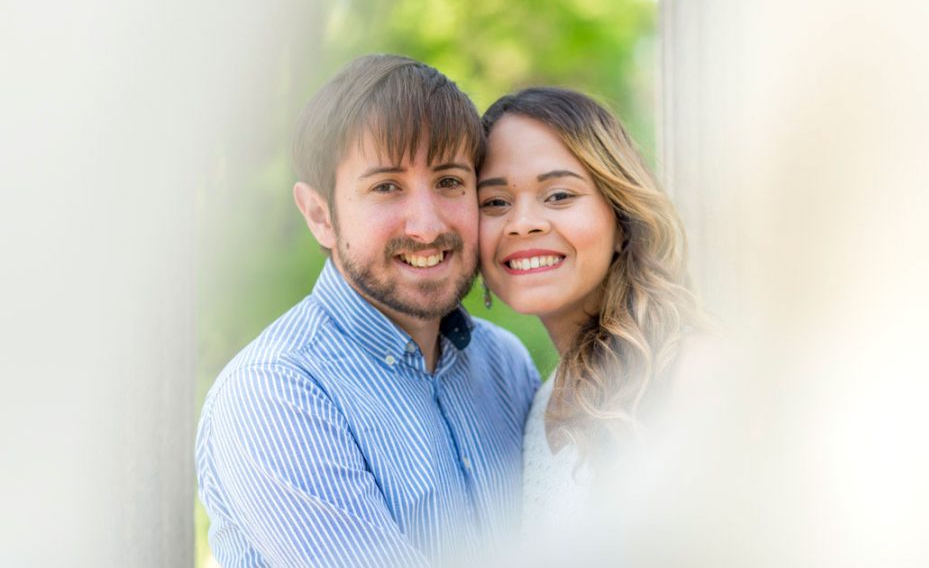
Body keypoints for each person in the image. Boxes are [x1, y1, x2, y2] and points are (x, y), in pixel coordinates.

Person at [196, 55, 539, 567]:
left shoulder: (505, 367)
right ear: (320, 216)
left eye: (449, 182)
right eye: (386, 187)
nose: (426, 226)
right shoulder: (275, 392)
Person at [476, 87, 705, 526]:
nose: (523, 224)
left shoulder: (692, 374)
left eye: (559, 195)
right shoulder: (540, 402)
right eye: (495, 203)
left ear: (622, 221)